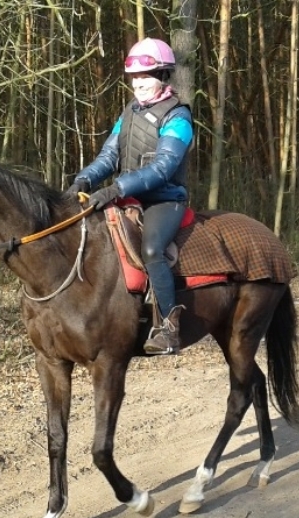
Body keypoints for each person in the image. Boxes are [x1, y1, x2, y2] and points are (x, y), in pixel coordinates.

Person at [66, 37, 193, 354]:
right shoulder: (129, 113)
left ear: (163, 75)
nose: (137, 84)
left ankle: (168, 327)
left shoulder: (178, 117)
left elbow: (163, 168)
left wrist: (115, 188)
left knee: (151, 249)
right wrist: (83, 180)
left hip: (165, 199)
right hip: (128, 196)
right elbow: (109, 157)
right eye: (134, 77)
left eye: (144, 76)